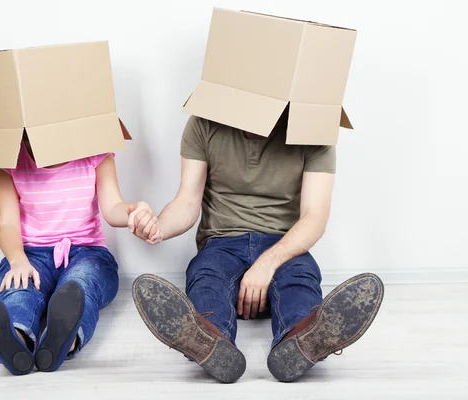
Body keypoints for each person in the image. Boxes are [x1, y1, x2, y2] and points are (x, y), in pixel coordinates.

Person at [128, 112, 384, 383]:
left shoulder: (314, 127)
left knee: (299, 278)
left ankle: (303, 340)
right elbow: (187, 201)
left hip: (284, 243)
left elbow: (315, 216)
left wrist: (267, 262)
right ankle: (208, 340)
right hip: (221, 243)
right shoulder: (204, 123)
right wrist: (159, 226)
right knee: (206, 276)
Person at [0, 136, 151, 375]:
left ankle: (63, 341)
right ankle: (15, 342)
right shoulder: (9, 158)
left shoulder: (95, 150)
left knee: (81, 284)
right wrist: (17, 260)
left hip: (87, 252)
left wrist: (131, 212)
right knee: (20, 288)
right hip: (30, 254)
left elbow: (112, 207)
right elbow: (7, 224)